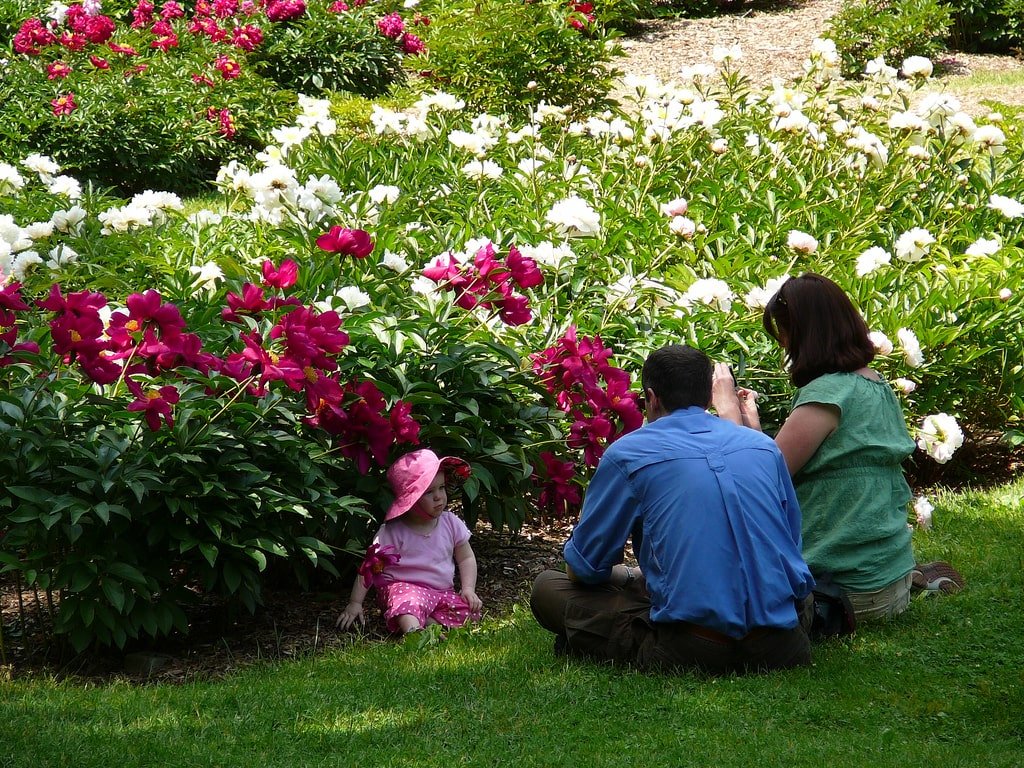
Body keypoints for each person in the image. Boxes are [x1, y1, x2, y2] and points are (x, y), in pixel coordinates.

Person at [530, 344, 815, 675]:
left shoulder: (628, 454)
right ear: (709, 397)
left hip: (691, 647)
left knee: (548, 588)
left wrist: (628, 576)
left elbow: (584, 570)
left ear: (651, 398)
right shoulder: (764, 448)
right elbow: (791, 554)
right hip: (784, 644)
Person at [712, 273, 964, 624]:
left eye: (783, 334)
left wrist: (725, 410)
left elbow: (756, 481)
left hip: (839, 596)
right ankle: (915, 578)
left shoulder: (826, 396)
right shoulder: (876, 386)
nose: (783, 346)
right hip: (888, 584)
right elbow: (785, 463)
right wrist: (751, 423)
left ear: (802, 333)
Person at [336, 448, 483, 635]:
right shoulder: (394, 531)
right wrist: (355, 603)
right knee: (409, 602)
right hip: (403, 589)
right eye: (429, 492)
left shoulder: (450, 523)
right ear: (411, 501)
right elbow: (369, 568)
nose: (439, 496)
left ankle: (430, 623)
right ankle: (415, 632)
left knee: (470, 612)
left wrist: (468, 589)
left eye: (442, 488)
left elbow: (466, 558)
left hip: (441, 592)